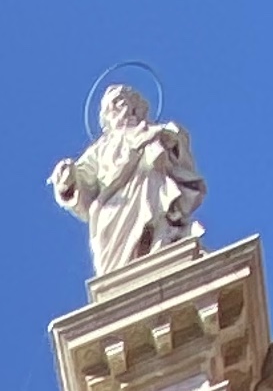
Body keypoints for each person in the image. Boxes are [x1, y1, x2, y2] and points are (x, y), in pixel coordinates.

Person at [49, 85, 206, 280]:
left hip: (150, 188)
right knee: (116, 266)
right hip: (115, 205)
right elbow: (81, 181)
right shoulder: (99, 149)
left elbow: (180, 157)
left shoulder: (153, 130)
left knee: (157, 225)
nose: (117, 105)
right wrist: (67, 179)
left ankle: (161, 246)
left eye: (121, 99)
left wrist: (172, 139)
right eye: (112, 103)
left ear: (134, 104)